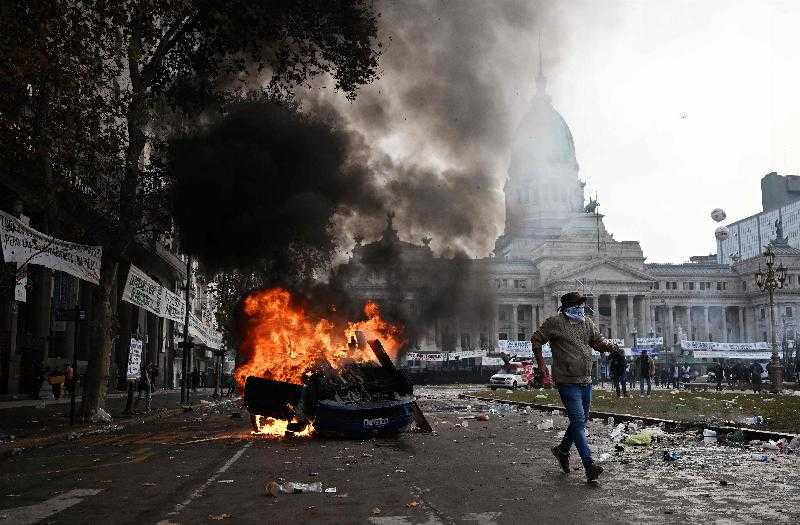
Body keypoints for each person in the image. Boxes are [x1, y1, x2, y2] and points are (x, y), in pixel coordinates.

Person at [530, 291, 623, 483]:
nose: (581, 309)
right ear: (566, 308)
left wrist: (610, 346)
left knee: (580, 420)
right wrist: (541, 364)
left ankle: (562, 450)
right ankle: (589, 466)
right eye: (577, 306)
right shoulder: (555, 323)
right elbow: (536, 339)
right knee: (579, 421)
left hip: (586, 379)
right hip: (566, 380)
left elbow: (597, 342)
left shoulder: (587, 322)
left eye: (582, 306)